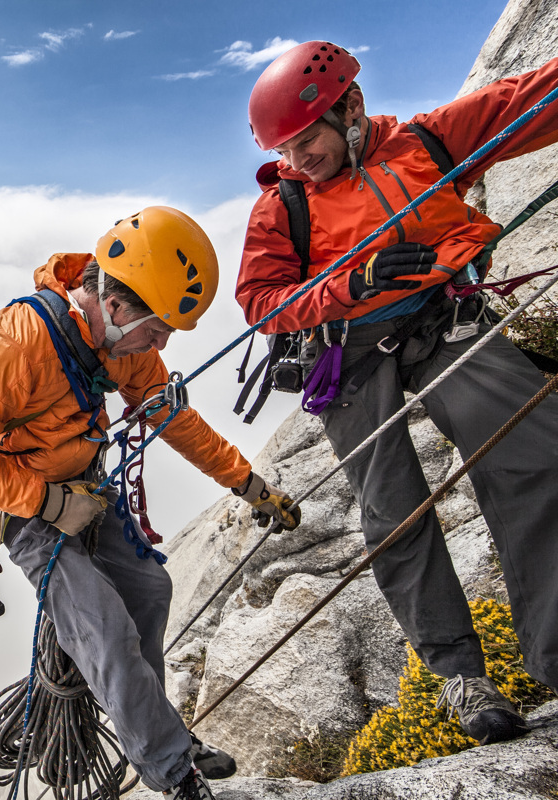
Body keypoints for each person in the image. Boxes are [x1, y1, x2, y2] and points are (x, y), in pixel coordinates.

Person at [236, 41, 558, 745]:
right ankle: (461, 677)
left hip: (443, 321)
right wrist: (351, 283)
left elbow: (531, 98)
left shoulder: (427, 143)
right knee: (395, 510)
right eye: (285, 148)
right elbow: (260, 302)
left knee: (539, 452)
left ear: (351, 107)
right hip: (347, 355)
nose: (297, 159)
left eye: (307, 139)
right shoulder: (283, 206)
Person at [0, 206, 301, 799]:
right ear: (118, 305)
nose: (162, 344)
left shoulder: (124, 342)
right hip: (23, 508)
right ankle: (174, 771)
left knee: (152, 592)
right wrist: (48, 505)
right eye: (158, 330)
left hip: (85, 489)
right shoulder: (9, 348)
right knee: (104, 629)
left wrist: (248, 483)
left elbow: (170, 417)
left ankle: (157, 728)